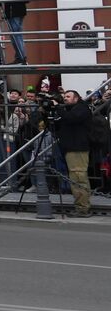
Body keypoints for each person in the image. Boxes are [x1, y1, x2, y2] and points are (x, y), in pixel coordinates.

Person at [54, 89, 93, 217]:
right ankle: (80, 206)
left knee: (78, 177)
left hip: (78, 149)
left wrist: (58, 108)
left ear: (76, 98)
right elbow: (58, 125)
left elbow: (72, 119)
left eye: (68, 96)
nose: (65, 98)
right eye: (64, 96)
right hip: (70, 148)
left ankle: (82, 208)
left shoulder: (82, 108)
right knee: (75, 177)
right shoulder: (69, 111)